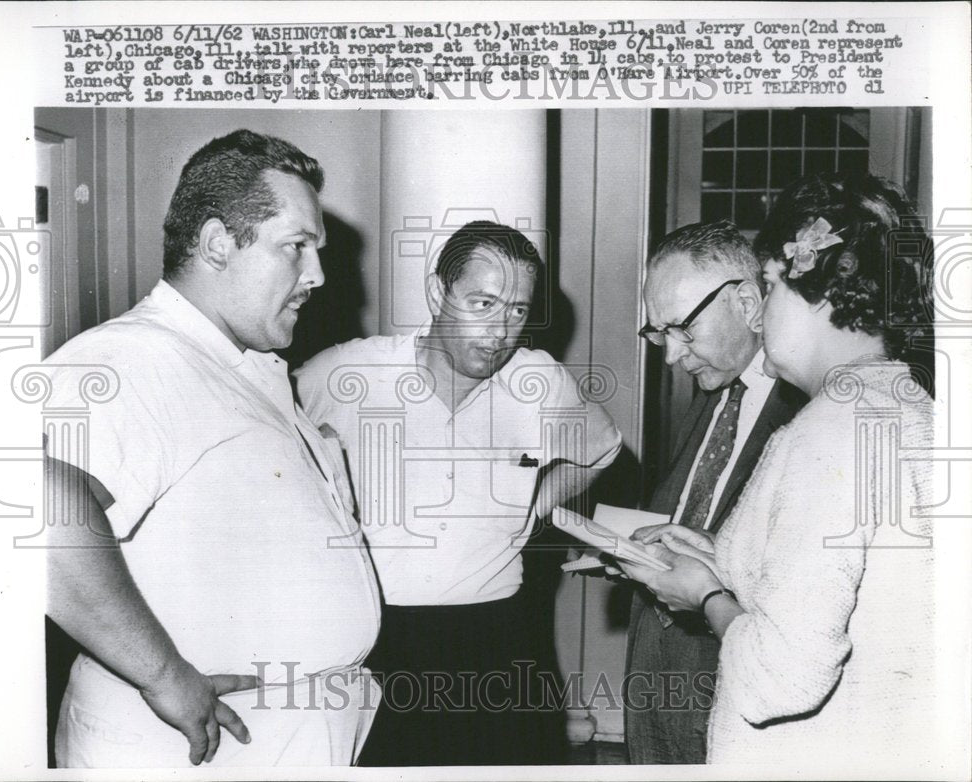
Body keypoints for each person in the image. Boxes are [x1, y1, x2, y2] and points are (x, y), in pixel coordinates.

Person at [45, 129, 382, 767]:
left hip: (284, 741)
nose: (318, 275)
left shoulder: (246, 364)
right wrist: (163, 673)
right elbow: (35, 508)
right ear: (217, 244)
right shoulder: (133, 356)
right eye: (296, 248)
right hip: (197, 749)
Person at [620, 173, 936, 766]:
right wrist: (717, 556)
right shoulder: (911, 408)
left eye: (767, 285)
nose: (760, 314)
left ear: (815, 290)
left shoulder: (826, 433)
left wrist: (707, 592)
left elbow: (778, 680)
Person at [294, 220, 622, 766]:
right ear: (436, 291)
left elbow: (602, 448)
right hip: (377, 638)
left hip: (499, 636)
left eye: (517, 310)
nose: (499, 330)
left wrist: (536, 509)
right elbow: (270, 443)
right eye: (483, 302)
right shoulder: (347, 371)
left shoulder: (536, 380)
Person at [624, 220, 807, 764]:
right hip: (657, 678)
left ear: (748, 302)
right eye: (659, 333)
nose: (670, 356)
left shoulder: (811, 408)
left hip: (732, 688)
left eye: (683, 329)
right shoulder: (715, 387)